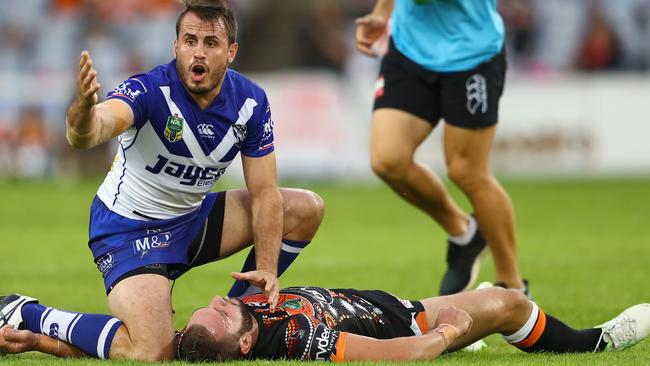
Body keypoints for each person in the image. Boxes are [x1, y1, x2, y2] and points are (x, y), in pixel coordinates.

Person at [0, 0, 326, 362]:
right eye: (189, 41)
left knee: (305, 209)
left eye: (210, 43)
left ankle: (235, 321)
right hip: (130, 231)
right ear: (176, 46)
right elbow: (93, 130)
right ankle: (28, 314)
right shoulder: (150, 90)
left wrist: (265, 268)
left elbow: (264, 193)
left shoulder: (250, 101)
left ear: (231, 51)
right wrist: (82, 113)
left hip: (192, 221)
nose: (197, 53)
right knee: (154, 352)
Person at [355, 0, 526, 295]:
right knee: (388, 160)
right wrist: (381, 14)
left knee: (467, 172)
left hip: (471, 55)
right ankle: (465, 234)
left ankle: (513, 286)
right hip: (410, 50)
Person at [2, 286, 648, 361]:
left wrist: (37, 337)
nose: (226, 303)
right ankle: (598, 341)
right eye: (228, 313)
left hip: (383, 300)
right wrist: (447, 332)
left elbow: (129, 351)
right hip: (405, 320)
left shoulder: (218, 334)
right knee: (504, 302)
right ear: (248, 341)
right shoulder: (305, 341)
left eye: (215, 304)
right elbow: (400, 359)